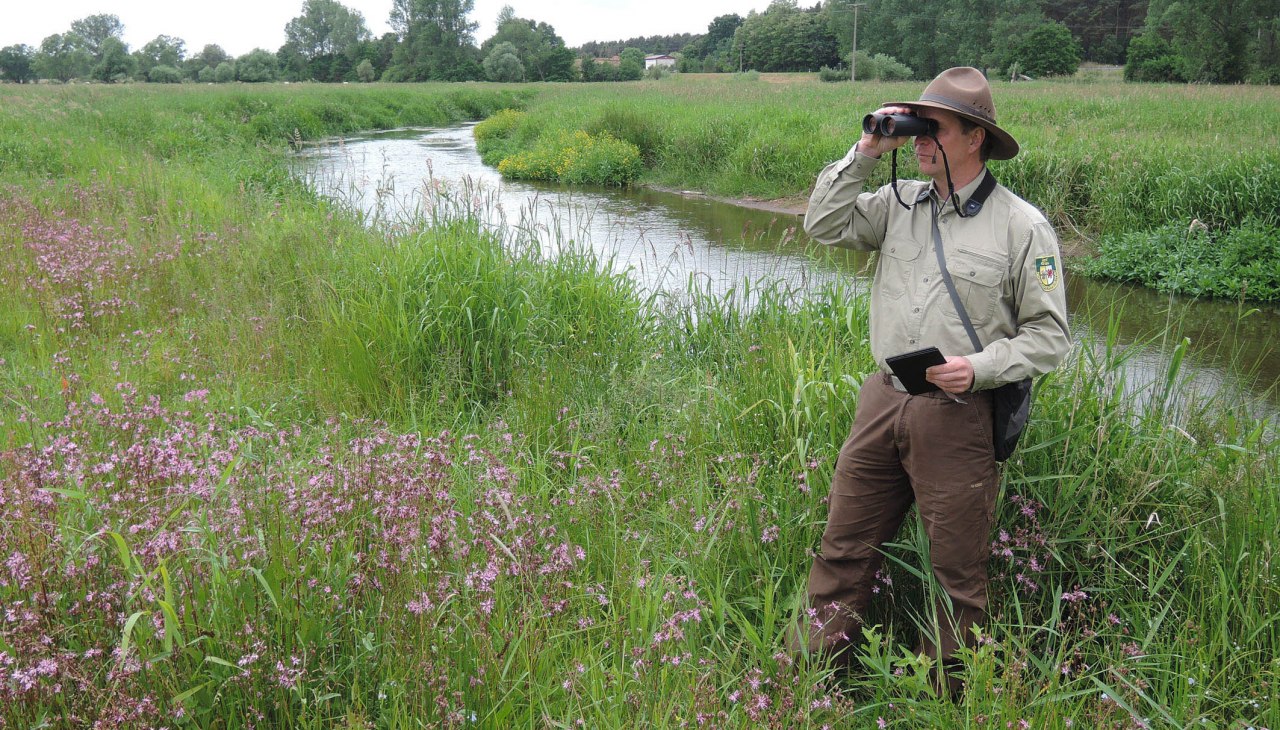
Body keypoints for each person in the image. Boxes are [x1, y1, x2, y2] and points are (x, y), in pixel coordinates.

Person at [791, 67, 1071, 692]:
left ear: (975, 138)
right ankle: (810, 681)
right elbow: (822, 223)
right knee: (843, 547)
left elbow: (1050, 337)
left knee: (956, 573)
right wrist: (867, 150)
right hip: (883, 400)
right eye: (911, 126)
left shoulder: (1021, 227)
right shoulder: (898, 204)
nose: (917, 141)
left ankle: (942, 696)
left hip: (959, 413)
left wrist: (981, 369)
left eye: (931, 128)